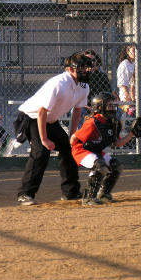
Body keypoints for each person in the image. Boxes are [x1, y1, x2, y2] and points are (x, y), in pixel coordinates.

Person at [15, 52, 93, 206]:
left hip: (50, 120)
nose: (85, 70)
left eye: (87, 67)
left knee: (69, 148)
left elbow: (78, 110)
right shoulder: (60, 84)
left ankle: (71, 192)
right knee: (41, 152)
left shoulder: (84, 87)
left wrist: (72, 135)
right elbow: (41, 111)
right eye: (81, 67)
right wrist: (44, 139)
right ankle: (25, 194)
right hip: (31, 117)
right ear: (70, 69)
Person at [70, 92, 141, 206]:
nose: (113, 108)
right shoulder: (93, 122)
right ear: (100, 107)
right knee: (100, 166)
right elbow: (74, 138)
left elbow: (117, 143)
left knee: (116, 165)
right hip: (81, 150)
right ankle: (88, 198)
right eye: (109, 105)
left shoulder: (113, 123)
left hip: (96, 151)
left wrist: (131, 134)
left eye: (113, 105)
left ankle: (103, 194)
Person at [78, 49, 113, 128]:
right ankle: (80, 136)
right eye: (87, 60)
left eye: (93, 60)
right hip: (84, 106)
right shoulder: (79, 77)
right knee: (79, 110)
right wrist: (86, 106)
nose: (91, 62)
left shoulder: (102, 76)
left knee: (118, 111)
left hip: (100, 106)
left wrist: (100, 106)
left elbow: (108, 94)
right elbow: (76, 97)